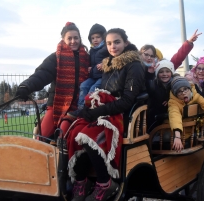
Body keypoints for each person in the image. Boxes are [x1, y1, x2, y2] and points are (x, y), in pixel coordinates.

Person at [65, 28, 145, 201]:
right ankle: (81, 180)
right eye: (109, 43)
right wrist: (88, 110)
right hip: (105, 110)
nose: (113, 46)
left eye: (117, 42)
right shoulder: (108, 64)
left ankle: (105, 182)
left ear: (126, 42)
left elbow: (127, 101)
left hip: (123, 114)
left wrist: (97, 111)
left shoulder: (135, 65)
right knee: (74, 133)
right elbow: (103, 91)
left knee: (89, 135)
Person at [15, 22, 90, 139]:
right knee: (42, 137)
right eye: (69, 38)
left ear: (80, 38)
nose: (73, 41)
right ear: (63, 39)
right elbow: (43, 73)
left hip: (79, 106)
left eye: (76, 38)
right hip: (56, 105)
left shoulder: (87, 58)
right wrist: (27, 86)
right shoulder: (55, 58)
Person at [68, 24, 109, 118]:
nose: (95, 40)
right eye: (93, 38)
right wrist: (89, 67)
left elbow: (112, 58)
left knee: (93, 89)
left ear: (104, 37)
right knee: (83, 85)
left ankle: (88, 109)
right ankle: (80, 108)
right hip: (93, 76)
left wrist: (105, 63)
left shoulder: (106, 48)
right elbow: (90, 62)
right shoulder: (91, 51)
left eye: (98, 37)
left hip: (103, 76)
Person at [146, 59, 174, 131]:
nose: (164, 74)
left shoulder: (175, 84)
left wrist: (170, 99)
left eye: (167, 71)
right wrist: (150, 75)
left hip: (170, 116)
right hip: (155, 116)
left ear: (171, 73)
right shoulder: (154, 84)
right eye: (161, 72)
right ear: (157, 74)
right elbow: (149, 88)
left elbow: (180, 94)